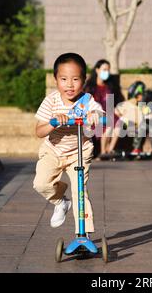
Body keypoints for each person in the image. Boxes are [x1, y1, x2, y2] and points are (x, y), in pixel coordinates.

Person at [33, 52, 103, 237]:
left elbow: (101, 114)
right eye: (64, 79)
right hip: (53, 150)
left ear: (84, 80)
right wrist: (53, 122)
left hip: (79, 152)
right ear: (56, 79)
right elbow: (39, 131)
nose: (69, 85)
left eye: (75, 79)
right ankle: (60, 202)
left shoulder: (87, 101)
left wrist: (94, 115)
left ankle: (83, 233)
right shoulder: (51, 101)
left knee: (80, 191)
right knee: (41, 184)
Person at [84, 59, 124, 158]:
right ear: (97, 70)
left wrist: (116, 110)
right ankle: (103, 152)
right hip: (95, 114)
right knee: (108, 124)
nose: (106, 72)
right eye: (104, 69)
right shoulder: (90, 87)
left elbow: (112, 102)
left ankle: (109, 150)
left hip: (109, 112)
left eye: (108, 70)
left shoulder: (109, 86)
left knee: (120, 123)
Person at [131, 89, 152, 161]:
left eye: (137, 97)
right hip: (145, 122)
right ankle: (136, 149)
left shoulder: (149, 97)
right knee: (139, 131)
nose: (137, 100)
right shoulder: (140, 103)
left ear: (140, 95)